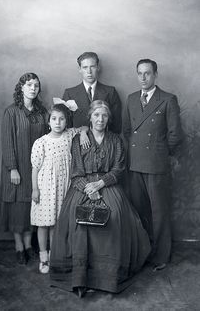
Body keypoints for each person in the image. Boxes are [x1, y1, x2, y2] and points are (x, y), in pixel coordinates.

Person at [50, 100, 151, 297]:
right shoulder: (79, 140)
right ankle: (80, 278)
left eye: (104, 115)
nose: (100, 119)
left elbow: (118, 169)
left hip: (107, 184)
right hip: (82, 186)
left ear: (109, 119)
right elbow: (76, 172)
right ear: (90, 117)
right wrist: (88, 189)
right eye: (96, 115)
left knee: (115, 214)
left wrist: (100, 184)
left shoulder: (116, 140)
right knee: (76, 217)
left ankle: (107, 276)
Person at [123, 59, 182, 271]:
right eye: (140, 73)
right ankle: (144, 251)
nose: (143, 77)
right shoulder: (130, 99)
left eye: (147, 73)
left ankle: (161, 256)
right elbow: (127, 132)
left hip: (157, 165)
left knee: (160, 211)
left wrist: (160, 154)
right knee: (140, 211)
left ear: (155, 74)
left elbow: (176, 135)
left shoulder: (167, 99)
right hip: (135, 163)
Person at [31, 101, 90, 274]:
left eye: (62, 119)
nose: (58, 122)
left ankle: (54, 254)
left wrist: (84, 133)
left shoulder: (69, 135)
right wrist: (35, 189)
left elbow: (85, 127)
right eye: (54, 119)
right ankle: (43, 256)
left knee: (56, 224)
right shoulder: (41, 142)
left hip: (63, 187)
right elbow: (35, 169)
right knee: (43, 223)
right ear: (48, 122)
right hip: (45, 188)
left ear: (67, 121)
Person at [0, 72, 48, 265]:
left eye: (36, 85)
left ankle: (29, 245)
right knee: (17, 209)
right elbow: (7, 142)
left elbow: (49, 136)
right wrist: (12, 168)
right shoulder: (11, 112)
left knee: (31, 208)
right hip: (17, 169)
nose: (33, 88)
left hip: (35, 169)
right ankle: (19, 246)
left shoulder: (41, 112)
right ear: (21, 88)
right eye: (29, 85)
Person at [62, 52, 122, 133]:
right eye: (85, 67)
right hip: (78, 141)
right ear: (80, 69)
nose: (89, 71)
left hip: (104, 142)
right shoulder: (69, 94)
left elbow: (116, 124)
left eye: (92, 67)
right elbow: (66, 125)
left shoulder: (110, 92)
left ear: (98, 67)